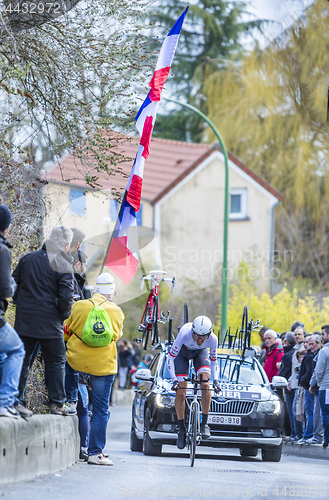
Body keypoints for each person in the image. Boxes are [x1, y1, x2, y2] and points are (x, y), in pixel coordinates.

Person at [13, 226, 74, 415]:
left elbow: (12, 285)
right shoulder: (63, 264)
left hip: (25, 322)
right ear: (66, 244)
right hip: (51, 324)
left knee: (22, 361)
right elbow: (66, 298)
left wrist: (20, 305)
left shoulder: (27, 259)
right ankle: (56, 404)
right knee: (56, 361)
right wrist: (62, 315)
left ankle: (16, 402)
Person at [64, 273, 124, 465]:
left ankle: (70, 402)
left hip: (77, 363)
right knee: (100, 410)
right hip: (103, 366)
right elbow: (115, 336)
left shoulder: (78, 306)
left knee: (80, 406)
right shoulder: (116, 311)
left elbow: (66, 331)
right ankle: (95, 452)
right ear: (111, 293)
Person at [166, 316, 221, 449]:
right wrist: (174, 381)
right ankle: (181, 430)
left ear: (209, 334)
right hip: (182, 355)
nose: (200, 340)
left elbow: (214, 361)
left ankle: (204, 424)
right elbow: (170, 358)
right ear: (193, 332)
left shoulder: (212, 339)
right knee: (181, 392)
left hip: (199, 354)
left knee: (205, 384)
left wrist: (216, 380)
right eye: (197, 336)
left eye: (204, 336)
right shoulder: (184, 333)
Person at [0, 205, 31, 418]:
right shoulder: (2, 249)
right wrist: (13, 285)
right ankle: (6, 402)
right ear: (6, 227)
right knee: (16, 349)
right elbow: (5, 288)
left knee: (3, 354)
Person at [297, 334, 318, 444]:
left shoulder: (311, 356)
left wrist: (303, 381)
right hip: (307, 386)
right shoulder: (309, 354)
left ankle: (308, 434)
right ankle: (307, 434)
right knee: (308, 412)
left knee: (310, 412)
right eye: (306, 343)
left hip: (309, 387)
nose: (308, 345)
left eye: (311, 344)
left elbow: (310, 372)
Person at [287, 326, 305, 441]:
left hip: (300, 384)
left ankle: (299, 434)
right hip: (293, 383)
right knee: (293, 410)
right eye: (296, 334)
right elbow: (293, 368)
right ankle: (294, 433)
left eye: (299, 334)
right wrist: (289, 380)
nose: (297, 336)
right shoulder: (295, 348)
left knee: (297, 409)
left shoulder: (303, 348)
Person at [278, 332, 296, 439]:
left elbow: (283, 372)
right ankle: (293, 432)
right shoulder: (294, 353)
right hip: (293, 384)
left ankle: (292, 432)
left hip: (288, 386)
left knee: (290, 410)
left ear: (286, 342)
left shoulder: (288, 355)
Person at [315, 325, 329, 448]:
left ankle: (327, 439)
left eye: (323, 334)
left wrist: (319, 383)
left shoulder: (324, 351)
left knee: (325, 413)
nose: (321, 336)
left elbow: (319, 370)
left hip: (326, 387)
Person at [309, 335, 324, 444]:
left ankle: (318, 436)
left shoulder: (323, 352)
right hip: (323, 386)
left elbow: (318, 371)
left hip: (322, 387)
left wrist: (314, 383)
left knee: (319, 412)